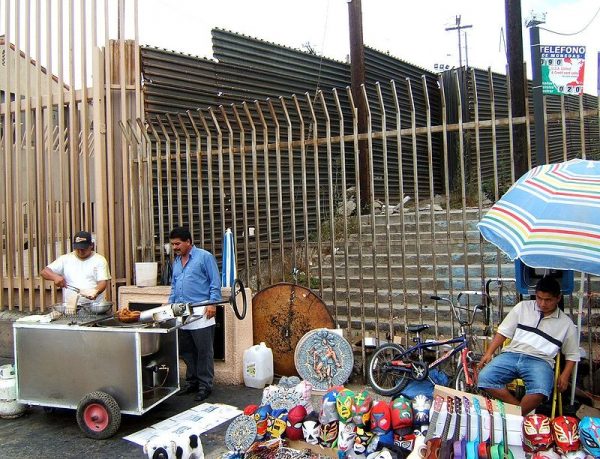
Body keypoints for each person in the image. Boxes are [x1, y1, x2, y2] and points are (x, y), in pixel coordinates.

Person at [477, 276, 580, 415]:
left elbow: (572, 354)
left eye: (548, 299)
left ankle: (515, 417)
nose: (542, 303)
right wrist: (489, 353)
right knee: (484, 378)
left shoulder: (566, 324)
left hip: (540, 361)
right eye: (539, 298)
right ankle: (519, 415)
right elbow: (503, 332)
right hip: (511, 355)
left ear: (558, 298)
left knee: (540, 390)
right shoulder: (522, 307)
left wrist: (565, 375)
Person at [168, 226, 221, 402]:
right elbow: (174, 286)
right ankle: (191, 383)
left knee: (203, 351)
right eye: (173, 244)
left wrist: (213, 303)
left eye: (178, 244)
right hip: (181, 310)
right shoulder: (176, 262)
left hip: (202, 308)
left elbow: (215, 282)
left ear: (188, 242)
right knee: (186, 349)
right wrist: (170, 307)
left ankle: (205, 385)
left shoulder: (204, 257)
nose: (175, 247)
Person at [41, 231, 111, 303]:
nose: (80, 251)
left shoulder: (99, 260)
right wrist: (55, 277)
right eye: (78, 248)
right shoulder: (65, 259)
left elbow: (102, 282)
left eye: (84, 248)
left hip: (94, 305)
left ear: (91, 245)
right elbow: (44, 272)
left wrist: (94, 292)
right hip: (71, 306)